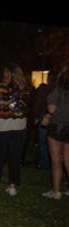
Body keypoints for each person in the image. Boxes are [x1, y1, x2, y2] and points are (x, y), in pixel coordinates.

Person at [0, 63, 30, 196]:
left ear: (7, 75)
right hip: (19, 126)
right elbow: (25, 110)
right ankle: (12, 186)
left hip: (0, 127)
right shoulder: (24, 92)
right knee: (15, 156)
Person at [42, 61, 69, 199]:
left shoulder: (59, 89)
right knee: (68, 160)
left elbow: (52, 109)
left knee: (56, 160)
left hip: (57, 126)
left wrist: (48, 115)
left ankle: (56, 191)